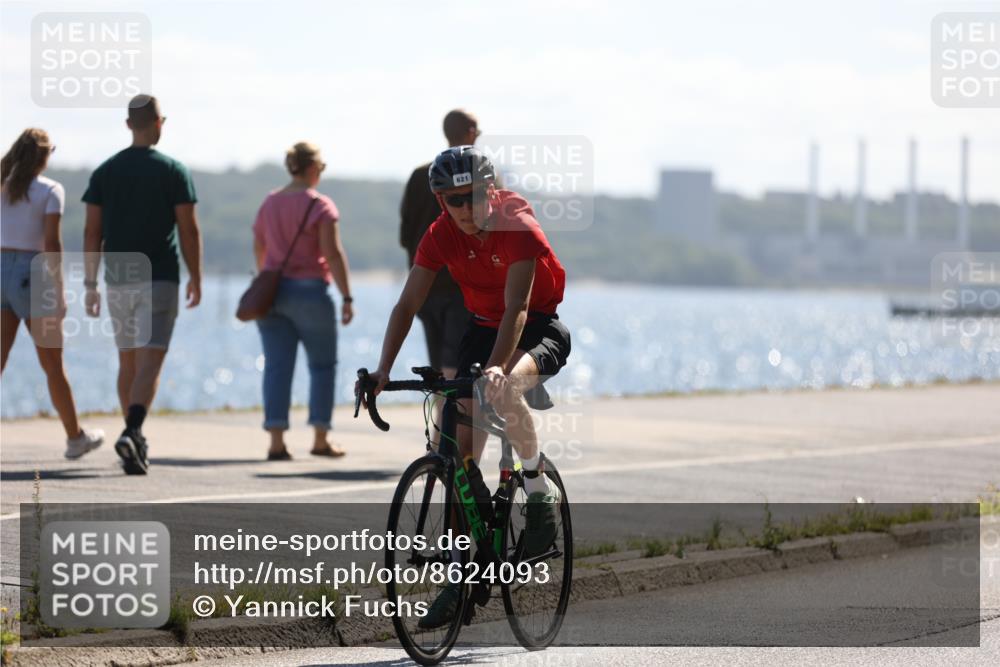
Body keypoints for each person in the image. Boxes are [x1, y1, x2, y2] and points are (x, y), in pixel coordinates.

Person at [363, 146, 570, 628]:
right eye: (453, 200)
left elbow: (518, 307)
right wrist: (382, 369)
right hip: (480, 329)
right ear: (441, 202)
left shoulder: (517, 224)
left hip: (537, 327)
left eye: (472, 195)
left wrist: (496, 369)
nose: (464, 207)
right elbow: (407, 304)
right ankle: (460, 577)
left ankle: (538, 491)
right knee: (457, 451)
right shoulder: (440, 235)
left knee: (505, 388)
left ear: (490, 190)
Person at [82, 94, 202, 475]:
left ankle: (132, 441)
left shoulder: (105, 172)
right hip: (159, 276)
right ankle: (132, 431)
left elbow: (92, 232)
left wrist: (90, 283)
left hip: (118, 278)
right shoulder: (173, 170)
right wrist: (197, 275)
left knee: (128, 361)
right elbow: (188, 229)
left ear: (128, 125)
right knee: (151, 360)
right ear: (158, 123)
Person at [1, 128, 104, 458]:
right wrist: (60, 290)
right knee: (53, 364)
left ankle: (76, 437)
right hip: (33, 274)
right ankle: (75, 438)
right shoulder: (51, 190)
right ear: (44, 156)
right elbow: (52, 243)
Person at [253, 142, 354, 461]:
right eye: (321, 168)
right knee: (322, 366)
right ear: (312, 168)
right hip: (310, 292)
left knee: (277, 367)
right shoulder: (320, 205)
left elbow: (259, 244)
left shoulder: (270, 202)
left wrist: (266, 277)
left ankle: (276, 442)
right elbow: (332, 254)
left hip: (272, 294)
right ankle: (320, 438)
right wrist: (347, 296)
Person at [399, 110, 480, 379]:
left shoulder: (419, 175)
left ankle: (441, 409)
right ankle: (451, 408)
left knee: (438, 369)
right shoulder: (481, 175)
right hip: (464, 287)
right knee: (456, 366)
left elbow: (405, 234)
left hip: (424, 285)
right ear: (471, 133)